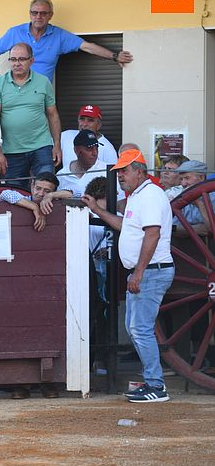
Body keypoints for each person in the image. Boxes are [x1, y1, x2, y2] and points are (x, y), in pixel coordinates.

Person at [82, 149, 173, 403]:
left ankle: (157, 385)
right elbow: (126, 226)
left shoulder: (150, 195)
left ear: (139, 170)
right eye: (119, 171)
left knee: (140, 329)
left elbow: (152, 234)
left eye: (124, 170)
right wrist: (97, 211)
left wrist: (139, 272)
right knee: (136, 329)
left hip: (150, 271)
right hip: (146, 270)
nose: (120, 175)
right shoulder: (139, 196)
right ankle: (153, 382)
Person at [0, 0, 133, 82]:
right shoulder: (15, 32)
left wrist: (114, 56)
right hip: (15, 94)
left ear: (50, 15)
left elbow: (87, 46)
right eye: (35, 13)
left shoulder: (59, 35)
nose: (38, 17)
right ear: (30, 14)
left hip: (41, 97)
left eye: (43, 13)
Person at [0, 42, 61, 190]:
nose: (17, 63)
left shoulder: (43, 82)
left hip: (42, 147)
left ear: (31, 60)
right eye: (13, 59)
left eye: (22, 59)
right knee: (13, 195)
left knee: (46, 189)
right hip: (11, 151)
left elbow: (53, 115)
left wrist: (57, 145)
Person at [39, 130, 123, 215]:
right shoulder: (62, 175)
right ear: (76, 150)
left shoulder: (109, 172)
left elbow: (120, 203)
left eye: (96, 148)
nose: (95, 153)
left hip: (101, 226)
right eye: (89, 149)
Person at [60, 105, 118, 171]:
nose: (84, 124)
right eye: (82, 119)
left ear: (98, 125)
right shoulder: (65, 136)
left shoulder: (107, 148)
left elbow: (113, 176)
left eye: (90, 120)